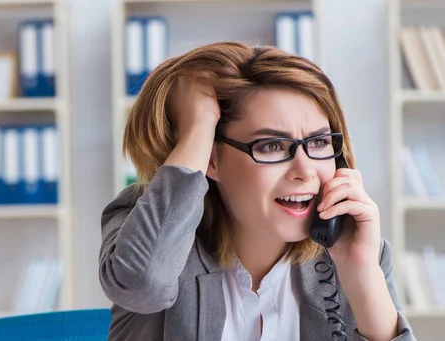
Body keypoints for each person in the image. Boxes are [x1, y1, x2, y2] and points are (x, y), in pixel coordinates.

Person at [99, 42, 415, 341]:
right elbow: (142, 286)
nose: (305, 171)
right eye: (271, 146)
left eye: (319, 142)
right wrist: (198, 126)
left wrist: (360, 271)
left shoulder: (357, 249)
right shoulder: (147, 228)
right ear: (209, 157)